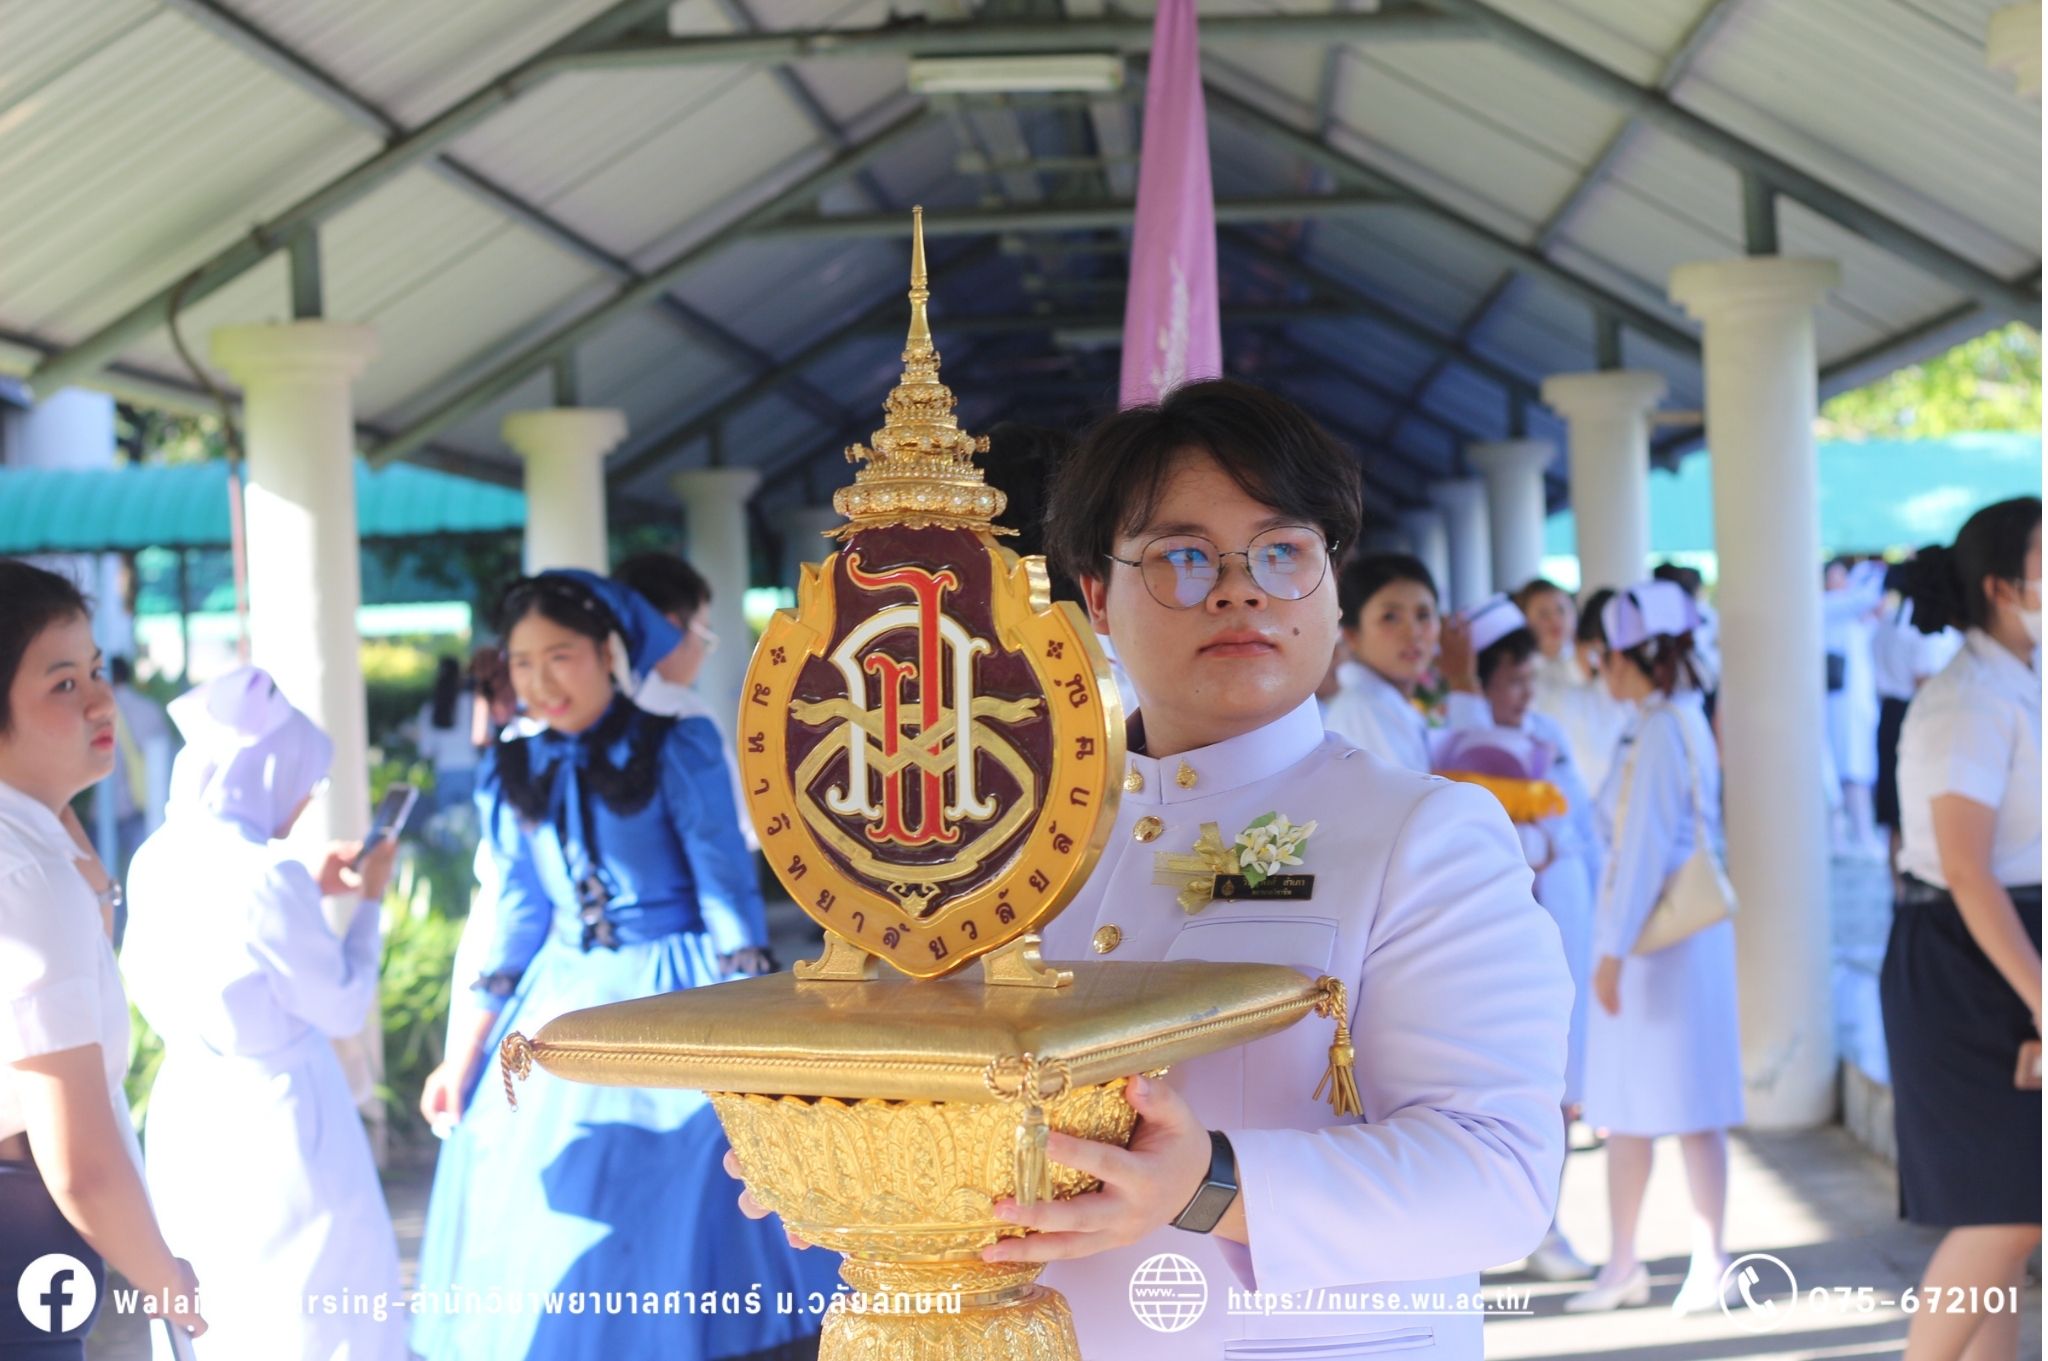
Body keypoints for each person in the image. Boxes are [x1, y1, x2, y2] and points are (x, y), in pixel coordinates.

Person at [739, 379, 1572, 1359]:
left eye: (1282, 551)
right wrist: (844, 1149)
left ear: (1330, 586)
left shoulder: (1420, 833)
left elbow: (1500, 1176)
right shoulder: (983, 835)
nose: (1238, 588)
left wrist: (1210, 1183)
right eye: (1182, 555)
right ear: (1096, 597)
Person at [413, 569, 838, 1361]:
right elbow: (517, 916)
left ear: (607, 651)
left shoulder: (678, 743)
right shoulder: (511, 767)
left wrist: (761, 1042)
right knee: (525, 1180)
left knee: (695, 1183)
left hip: (678, 994)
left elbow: (725, 895)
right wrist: (463, 1053)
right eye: (523, 662)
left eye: (560, 656)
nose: (541, 682)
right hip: (556, 1004)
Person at [122, 665, 404, 1360]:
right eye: (310, 781)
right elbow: (342, 1004)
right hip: (283, 1114)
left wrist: (309, 888)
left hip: (191, 1109)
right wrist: (369, 901)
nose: (306, 799)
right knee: (316, 1305)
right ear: (271, 770)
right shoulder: (268, 873)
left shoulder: (155, 856)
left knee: (221, 1298)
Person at [0, 561, 205, 1357]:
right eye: (62, 683)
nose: (99, 700)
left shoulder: (36, 845)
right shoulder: (27, 872)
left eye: (96, 670)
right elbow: (80, 1159)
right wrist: (167, 1280)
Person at [1882, 496, 2040, 1361]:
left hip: (2004, 944)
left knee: (2008, 1210)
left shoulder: (2017, 680)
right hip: (1963, 959)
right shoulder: (1967, 698)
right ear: (2001, 586)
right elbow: (1966, 868)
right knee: (2007, 1210)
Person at [1567, 580, 1744, 1317]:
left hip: (1656, 942)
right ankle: (1639, 1261)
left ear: (1627, 655)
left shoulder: (1662, 728)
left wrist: (1610, 953)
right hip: (1666, 938)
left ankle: (1690, 1260)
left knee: (1675, 1102)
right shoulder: (1667, 719)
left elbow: (1640, 848)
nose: (1597, 671)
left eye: (1601, 656)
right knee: (1645, 1105)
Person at [1439, 593, 1601, 1282]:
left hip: (1570, 918)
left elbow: (1581, 827)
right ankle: (1522, 1226)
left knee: (1564, 1084)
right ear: (1479, 683)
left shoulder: (1544, 732)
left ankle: (1546, 1224)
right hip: (1510, 940)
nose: (1525, 694)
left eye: (1529, 679)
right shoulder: (1459, 744)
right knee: (1517, 1082)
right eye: (1511, 681)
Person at [611, 552, 756, 851]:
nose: (703, 653)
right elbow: (735, 828)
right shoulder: (684, 714)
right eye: (705, 635)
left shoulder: (587, 709)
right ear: (671, 629)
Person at [1320, 553, 1487, 770]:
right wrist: (1462, 680)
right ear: (1352, 635)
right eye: (1390, 617)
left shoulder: (1385, 704)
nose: (1413, 633)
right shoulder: (1364, 709)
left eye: (1423, 615)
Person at [1871, 554, 1963, 869]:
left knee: (1894, 814)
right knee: (1914, 807)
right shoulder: (1919, 628)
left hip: (1889, 715)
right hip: (1915, 714)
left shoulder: (1886, 623)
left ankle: (1896, 887)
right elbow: (1924, 681)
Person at [1520, 579, 1630, 796]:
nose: (1555, 620)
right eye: (1543, 614)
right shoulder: (1526, 675)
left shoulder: (1595, 663)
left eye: (1561, 610)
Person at [1826, 557, 1890, 859]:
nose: (1843, 583)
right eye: (1837, 577)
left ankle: (1860, 836)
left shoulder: (1853, 620)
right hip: (1838, 708)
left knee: (1855, 771)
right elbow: (1863, 599)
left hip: (1857, 707)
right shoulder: (1828, 607)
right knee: (1843, 772)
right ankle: (1842, 838)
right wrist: (1879, 575)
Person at [411, 656, 482, 823]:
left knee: (448, 826)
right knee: (472, 825)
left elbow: (426, 750)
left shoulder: (430, 709)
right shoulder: (472, 703)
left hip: (445, 772)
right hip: (471, 769)